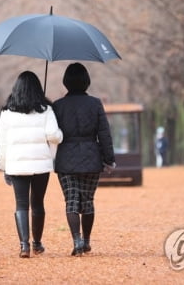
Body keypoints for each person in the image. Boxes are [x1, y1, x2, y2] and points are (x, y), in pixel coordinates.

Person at [0, 71, 63, 258]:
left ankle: (24, 245)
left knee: (21, 204)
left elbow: (0, 142)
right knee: (38, 203)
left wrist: (4, 166)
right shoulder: (45, 110)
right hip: (41, 164)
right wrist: (60, 136)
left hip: (16, 165)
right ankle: (37, 243)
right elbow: (54, 136)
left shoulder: (7, 112)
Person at [53, 63, 116, 256]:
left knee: (71, 200)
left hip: (66, 158)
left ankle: (77, 241)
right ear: (86, 81)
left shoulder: (57, 106)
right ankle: (87, 241)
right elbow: (104, 133)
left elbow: (52, 134)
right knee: (87, 200)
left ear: (66, 82)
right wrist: (109, 159)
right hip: (91, 156)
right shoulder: (95, 103)